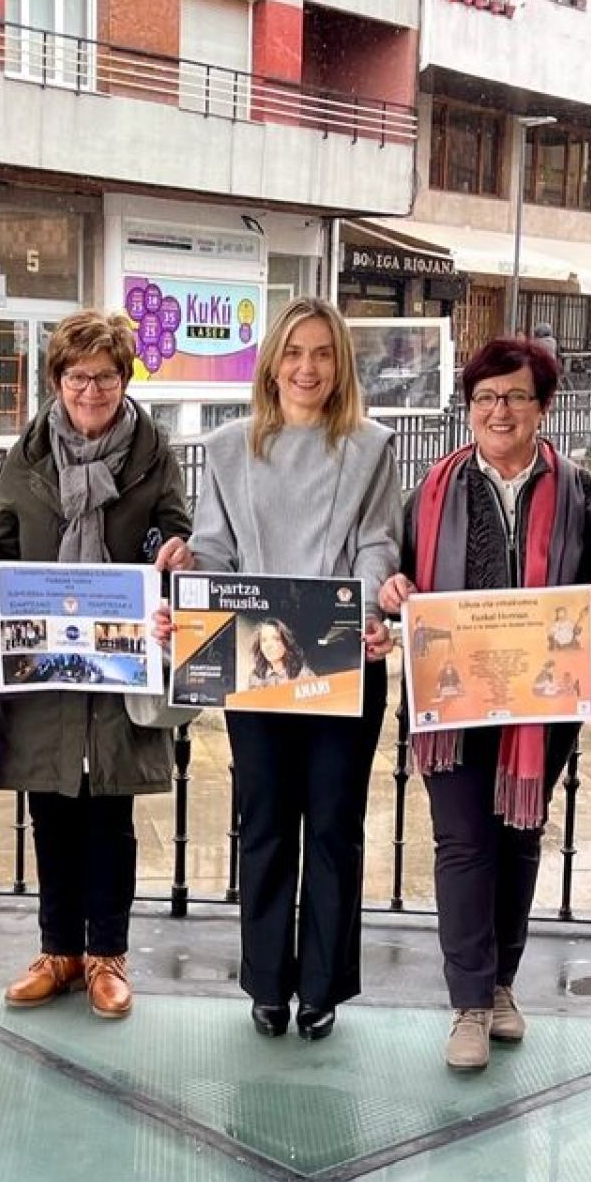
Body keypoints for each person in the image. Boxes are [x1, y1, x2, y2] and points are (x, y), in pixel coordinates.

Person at [378, 337, 591, 1071]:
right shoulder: (431, 489)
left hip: (540, 706)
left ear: (543, 407)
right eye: (485, 397)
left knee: (518, 840)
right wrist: (392, 589)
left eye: (516, 396)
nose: (499, 410)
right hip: (451, 699)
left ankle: (503, 985)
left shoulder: (580, 491)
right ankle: (468, 1004)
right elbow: (394, 568)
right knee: (462, 843)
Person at [0, 309, 193, 1021]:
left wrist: (175, 553)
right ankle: (58, 952)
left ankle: (107, 958)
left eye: (107, 378)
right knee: (51, 808)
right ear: (56, 380)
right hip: (46, 667)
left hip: (117, 664)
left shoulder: (152, 454)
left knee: (110, 812)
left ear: (124, 380)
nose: (92, 392)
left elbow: (174, 531)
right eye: (78, 377)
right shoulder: (25, 459)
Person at [189, 295, 401, 1042]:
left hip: (344, 655)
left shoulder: (372, 445)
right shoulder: (224, 448)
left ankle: (323, 988)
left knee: (336, 827)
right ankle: (267, 983)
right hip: (257, 661)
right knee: (267, 824)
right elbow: (213, 552)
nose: (307, 367)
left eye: (321, 353)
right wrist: (189, 574)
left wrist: (373, 605)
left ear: (339, 364)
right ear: (272, 362)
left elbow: (378, 544)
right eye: (293, 352)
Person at [250, 618, 313, 687]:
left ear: (286, 643)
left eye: (276, 639)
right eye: (264, 640)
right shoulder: (255, 677)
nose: (269, 645)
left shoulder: (303, 674)